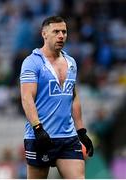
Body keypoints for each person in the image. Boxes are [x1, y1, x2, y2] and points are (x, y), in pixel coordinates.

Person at [20, 15, 94, 179]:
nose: (61, 35)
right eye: (56, 32)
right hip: (40, 137)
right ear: (44, 34)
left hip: (68, 137)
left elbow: (72, 96)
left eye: (64, 32)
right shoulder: (32, 62)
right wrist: (38, 129)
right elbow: (26, 98)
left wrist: (81, 131)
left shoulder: (71, 62)